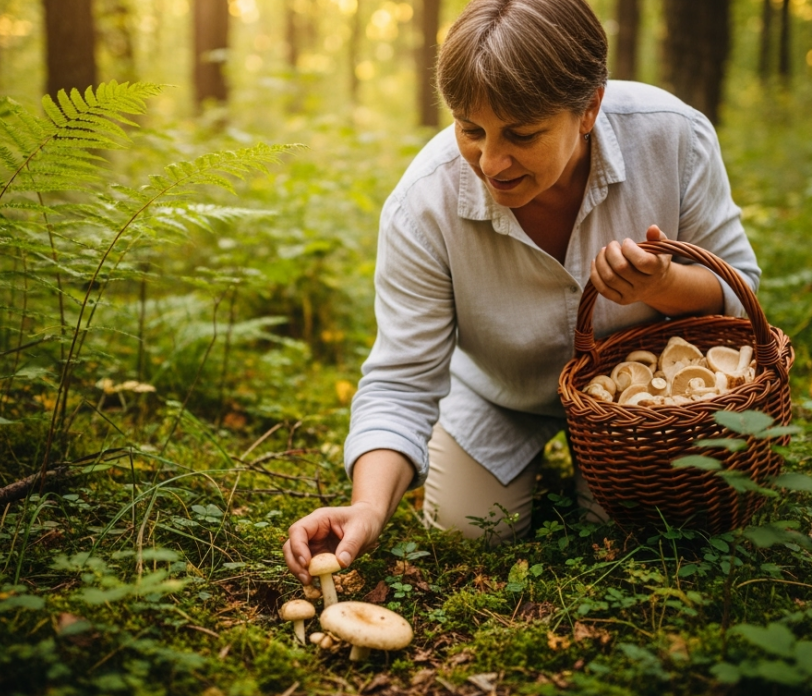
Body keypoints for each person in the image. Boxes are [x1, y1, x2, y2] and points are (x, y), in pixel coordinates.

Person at [283, 0, 759, 585]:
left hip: (641, 401)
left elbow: (740, 294)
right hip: (497, 394)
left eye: (522, 134)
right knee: (467, 527)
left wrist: (665, 285)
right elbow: (401, 380)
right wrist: (368, 508)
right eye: (471, 129)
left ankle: (600, 476)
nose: (491, 161)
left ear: (589, 109)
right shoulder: (422, 205)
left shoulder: (675, 138)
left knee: (646, 532)